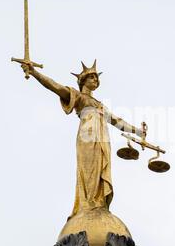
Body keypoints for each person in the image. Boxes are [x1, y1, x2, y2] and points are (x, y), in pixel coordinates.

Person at [20, 60, 144, 219]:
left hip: (102, 139)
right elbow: (55, 86)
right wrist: (35, 72)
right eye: (91, 77)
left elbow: (117, 121)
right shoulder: (78, 96)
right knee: (88, 169)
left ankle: (99, 202)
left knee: (99, 169)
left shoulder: (100, 105)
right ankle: (87, 203)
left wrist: (138, 131)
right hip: (87, 136)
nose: (95, 80)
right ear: (83, 81)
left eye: (96, 78)